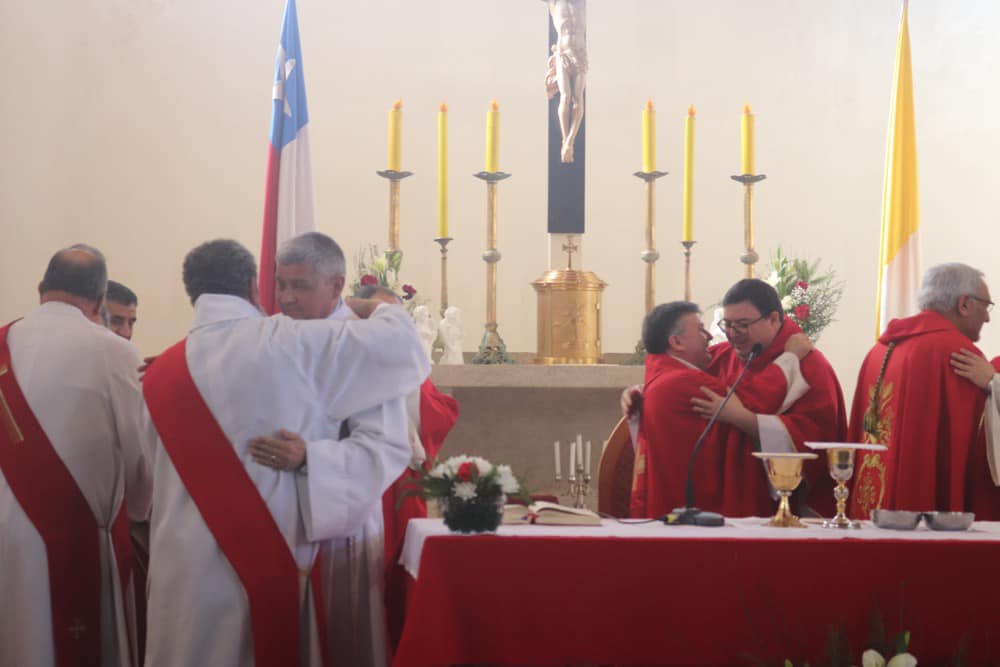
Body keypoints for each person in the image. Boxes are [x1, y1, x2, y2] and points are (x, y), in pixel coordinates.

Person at [140, 238, 428, 666]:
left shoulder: (167, 368)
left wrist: (314, 457)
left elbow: (386, 446)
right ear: (255, 288)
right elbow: (404, 345)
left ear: (336, 286)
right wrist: (377, 308)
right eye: (282, 285)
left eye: (301, 286)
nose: (289, 298)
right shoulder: (286, 340)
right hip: (272, 544)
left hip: (258, 548)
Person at [0, 244, 150, 666]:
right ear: (100, 301)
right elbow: (141, 456)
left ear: (40, 289)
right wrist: (139, 509)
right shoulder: (115, 352)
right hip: (75, 533)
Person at [630, 301, 814, 519]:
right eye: (700, 330)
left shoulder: (659, 376)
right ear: (677, 342)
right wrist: (790, 357)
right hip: (698, 509)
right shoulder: (686, 381)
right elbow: (751, 401)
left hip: (669, 500)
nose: (709, 336)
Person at [851, 263, 1000, 519]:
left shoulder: (879, 349)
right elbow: (974, 448)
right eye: (986, 306)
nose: (987, 317)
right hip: (922, 508)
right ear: (964, 304)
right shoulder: (957, 353)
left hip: (872, 505)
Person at [696, 279, 846, 517]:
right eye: (728, 325)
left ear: (774, 319)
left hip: (781, 504)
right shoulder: (723, 356)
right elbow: (679, 379)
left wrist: (746, 420)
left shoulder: (810, 365)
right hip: (719, 493)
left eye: (742, 325)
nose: (733, 334)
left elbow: (815, 437)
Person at [543, 0, 587, 163]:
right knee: (565, 96)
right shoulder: (554, 3)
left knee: (577, 98)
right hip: (563, 55)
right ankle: (565, 140)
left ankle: (570, 142)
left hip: (580, 54)